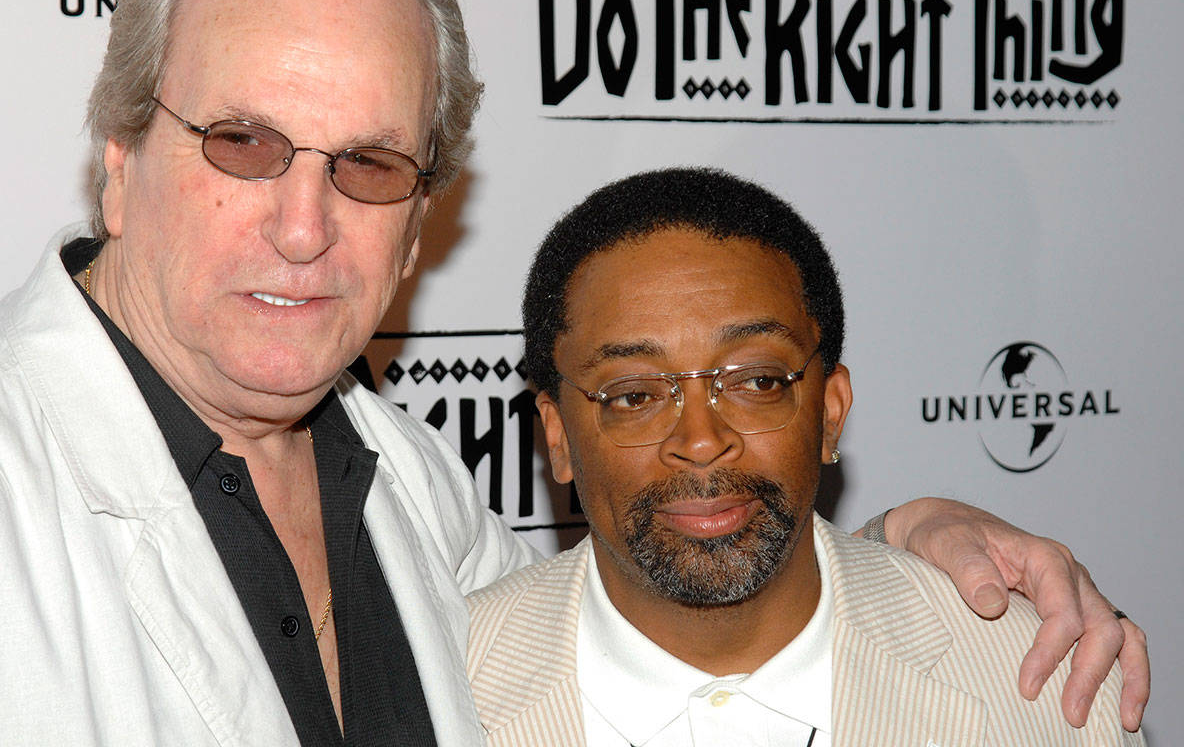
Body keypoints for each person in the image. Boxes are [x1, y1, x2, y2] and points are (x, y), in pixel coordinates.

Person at [0, 0, 1145, 747]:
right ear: (120, 156)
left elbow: (652, 607)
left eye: (370, 163)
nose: (302, 223)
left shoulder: (409, 486)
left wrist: (901, 549)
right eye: (244, 143)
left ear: (418, 222)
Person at [466, 168, 1144, 746]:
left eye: (757, 381)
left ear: (830, 410)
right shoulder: (438, 691)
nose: (701, 440)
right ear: (556, 435)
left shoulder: (1046, 687)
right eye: (636, 394)